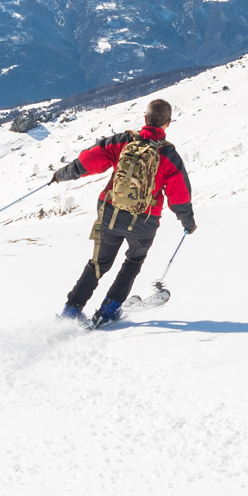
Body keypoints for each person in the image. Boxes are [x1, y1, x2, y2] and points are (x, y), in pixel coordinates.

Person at [52, 97, 196, 327]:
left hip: (110, 213)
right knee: (133, 262)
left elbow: (87, 161)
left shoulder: (123, 141)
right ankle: (109, 309)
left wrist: (61, 174)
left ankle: (71, 310)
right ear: (168, 123)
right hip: (144, 222)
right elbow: (180, 198)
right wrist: (188, 222)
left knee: (98, 263)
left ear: (145, 119)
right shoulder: (169, 156)